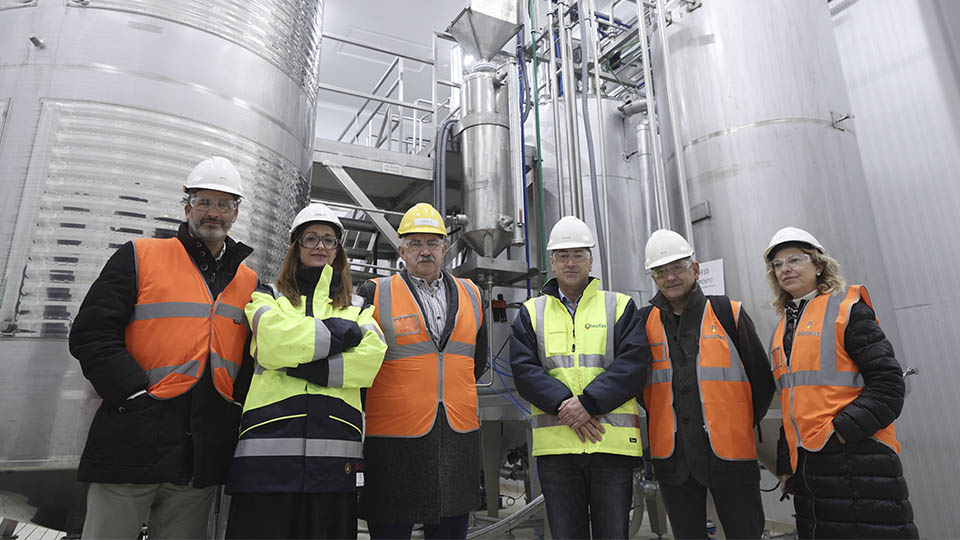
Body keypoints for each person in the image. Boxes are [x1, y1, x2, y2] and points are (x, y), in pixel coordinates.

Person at [69, 156, 257, 539]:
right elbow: (92, 332)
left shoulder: (248, 280)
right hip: (133, 439)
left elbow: (250, 359)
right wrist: (132, 394)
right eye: (204, 202)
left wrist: (232, 407)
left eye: (223, 204)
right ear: (187, 207)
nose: (213, 212)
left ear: (235, 214)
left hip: (199, 454)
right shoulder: (140, 255)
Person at [224, 203, 386, 539]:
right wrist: (340, 333)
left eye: (328, 240)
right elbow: (272, 344)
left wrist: (303, 366)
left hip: (334, 466)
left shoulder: (359, 306)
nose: (319, 246)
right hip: (267, 463)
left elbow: (371, 360)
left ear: (338, 250)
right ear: (296, 246)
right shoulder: (267, 296)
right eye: (310, 238)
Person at [764, 226, 918, 539]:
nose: (785, 269)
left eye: (795, 260)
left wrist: (841, 433)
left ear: (818, 265)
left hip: (858, 463)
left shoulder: (847, 309)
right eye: (777, 264)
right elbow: (792, 403)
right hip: (809, 470)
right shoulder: (784, 326)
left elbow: (889, 385)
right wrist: (786, 464)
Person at [509, 216, 649, 540]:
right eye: (563, 256)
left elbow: (634, 365)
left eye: (578, 255)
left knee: (613, 534)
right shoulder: (531, 312)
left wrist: (588, 403)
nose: (570, 263)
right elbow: (524, 370)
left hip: (610, 445)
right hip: (557, 449)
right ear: (552, 262)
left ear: (590, 260)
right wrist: (565, 405)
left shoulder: (620, 306)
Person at [358, 202, 488, 540]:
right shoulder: (375, 293)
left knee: (450, 530)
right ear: (401, 250)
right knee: (390, 531)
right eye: (415, 243)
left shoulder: (473, 295)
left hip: (456, 437)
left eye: (432, 242)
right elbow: (361, 366)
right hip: (394, 442)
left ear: (445, 248)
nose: (425, 251)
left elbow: (478, 361)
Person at [639, 229, 776, 539]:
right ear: (653, 277)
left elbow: (761, 382)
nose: (670, 277)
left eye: (677, 267)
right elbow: (640, 388)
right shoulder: (644, 322)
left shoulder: (728, 313)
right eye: (660, 271)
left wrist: (734, 424)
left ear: (696, 269)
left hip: (730, 454)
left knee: (745, 533)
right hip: (674, 459)